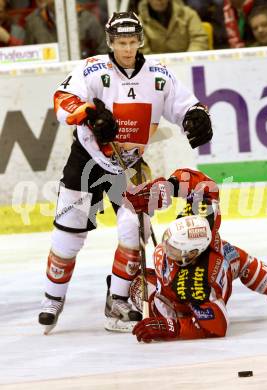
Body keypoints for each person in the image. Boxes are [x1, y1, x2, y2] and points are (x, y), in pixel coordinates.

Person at [38, 11, 213, 335]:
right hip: (87, 161)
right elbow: (63, 100)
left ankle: (118, 300)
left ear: (141, 41)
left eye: (133, 42)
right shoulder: (92, 69)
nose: (128, 49)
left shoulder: (159, 76)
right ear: (110, 42)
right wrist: (89, 113)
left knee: (136, 229)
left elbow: (186, 105)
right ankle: (53, 298)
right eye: (121, 43)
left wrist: (198, 116)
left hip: (129, 167)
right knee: (69, 232)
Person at [123, 168, 267, 342]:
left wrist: (172, 327)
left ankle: (175, 313)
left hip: (189, 296)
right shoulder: (202, 218)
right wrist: (166, 188)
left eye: (174, 249)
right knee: (240, 259)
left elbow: (217, 326)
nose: (167, 249)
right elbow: (205, 185)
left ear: (191, 256)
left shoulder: (196, 282)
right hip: (226, 258)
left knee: (140, 287)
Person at [24, 0, 107, 58]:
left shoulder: (87, 18)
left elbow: (103, 51)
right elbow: (28, 55)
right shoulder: (33, 21)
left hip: (81, 76)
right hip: (46, 76)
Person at [137, 0, 209, 54]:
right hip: (156, 70)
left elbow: (199, 39)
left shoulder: (189, 14)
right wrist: (157, 67)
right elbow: (142, 50)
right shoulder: (139, 22)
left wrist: (187, 59)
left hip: (188, 64)